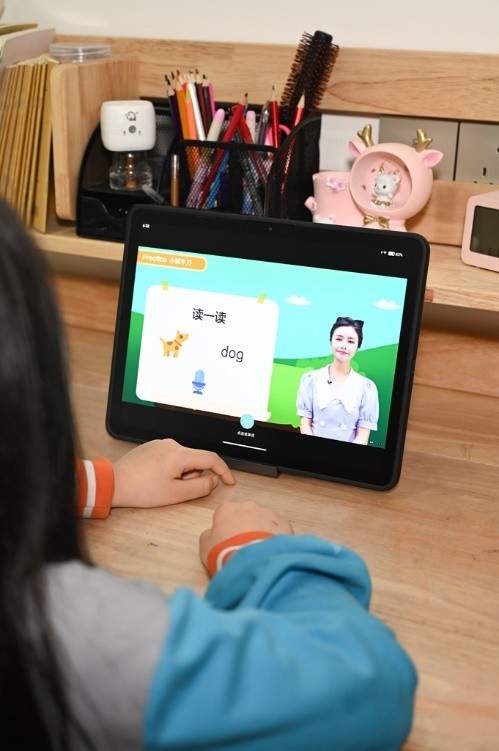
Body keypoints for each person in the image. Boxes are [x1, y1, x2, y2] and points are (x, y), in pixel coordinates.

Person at [0, 198, 416, 750]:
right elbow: (369, 688)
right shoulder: (59, 632)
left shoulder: (363, 388)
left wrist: (101, 483)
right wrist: (257, 554)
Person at [297, 316, 379, 445]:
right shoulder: (310, 379)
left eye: (351, 341)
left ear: (358, 347)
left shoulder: (367, 387)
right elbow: (304, 423)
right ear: (331, 341)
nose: (344, 346)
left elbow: (363, 436)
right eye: (339, 339)